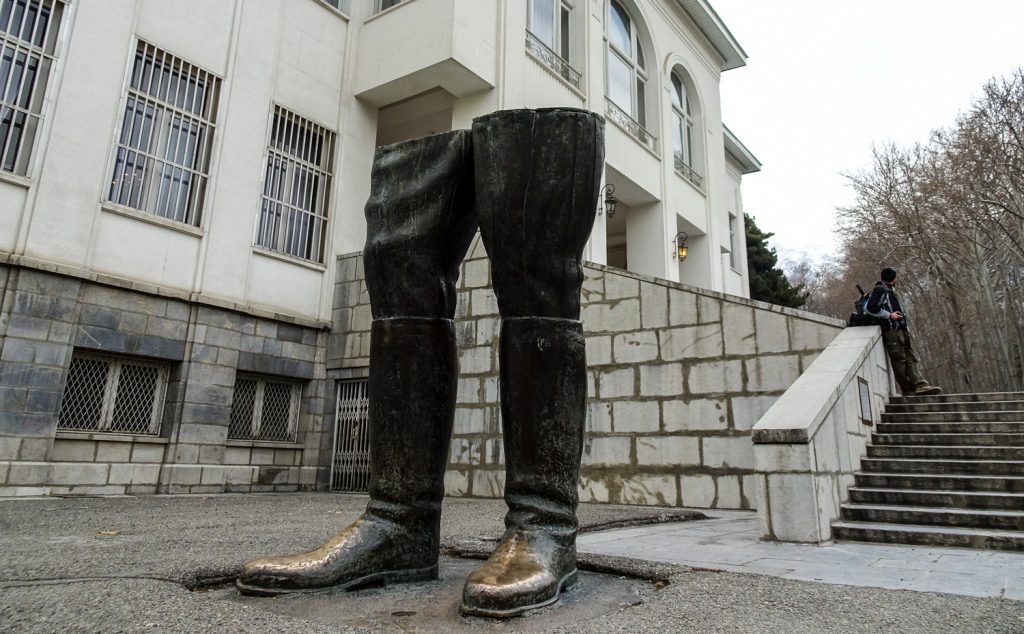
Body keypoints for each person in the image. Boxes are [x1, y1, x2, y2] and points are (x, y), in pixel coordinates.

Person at [865, 267, 942, 396]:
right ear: (892, 278)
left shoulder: (890, 291)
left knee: (910, 357)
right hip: (892, 331)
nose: (896, 280)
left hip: (901, 330)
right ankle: (908, 389)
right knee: (899, 360)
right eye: (895, 277)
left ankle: (919, 385)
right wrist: (889, 315)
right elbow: (870, 308)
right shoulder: (880, 290)